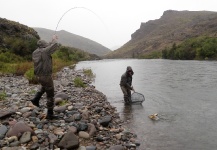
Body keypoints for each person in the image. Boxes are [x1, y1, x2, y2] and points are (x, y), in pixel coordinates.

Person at [31, 35, 58, 119]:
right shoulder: (45, 52)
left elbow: (47, 47)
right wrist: (54, 40)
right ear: (43, 46)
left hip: (38, 75)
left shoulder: (35, 52)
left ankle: (35, 99)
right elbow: (54, 46)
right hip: (46, 75)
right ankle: (50, 114)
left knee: (44, 87)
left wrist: (50, 42)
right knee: (50, 94)